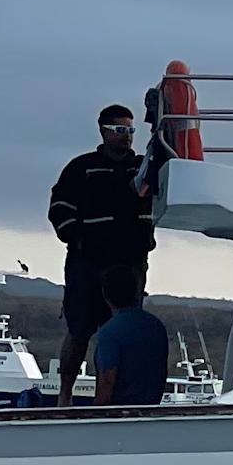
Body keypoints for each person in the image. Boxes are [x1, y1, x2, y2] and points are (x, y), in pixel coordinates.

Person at [48, 104, 154, 406]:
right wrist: (78, 240)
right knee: (79, 329)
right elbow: (59, 210)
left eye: (132, 131)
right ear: (103, 131)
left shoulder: (143, 168)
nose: (128, 137)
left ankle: (106, 400)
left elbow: (162, 190)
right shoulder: (80, 168)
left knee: (120, 332)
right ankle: (64, 398)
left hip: (130, 263)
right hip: (88, 264)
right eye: (121, 130)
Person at [89, 264, 170, 406]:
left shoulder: (109, 333)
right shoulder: (156, 327)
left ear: (105, 294)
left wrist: (95, 412)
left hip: (119, 415)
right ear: (137, 291)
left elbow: (107, 382)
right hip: (151, 411)